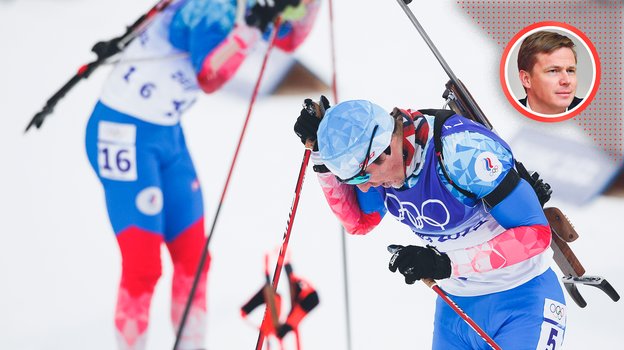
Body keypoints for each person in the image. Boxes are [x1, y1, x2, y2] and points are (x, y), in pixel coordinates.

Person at [84, 0, 320, 349]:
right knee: (143, 267)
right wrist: (249, 30)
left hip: (166, 133)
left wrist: (306, 6)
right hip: (123, 131)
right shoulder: (214, 6)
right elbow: (208, 74)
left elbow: (288, 38)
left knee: (195, 260)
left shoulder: (255, 5)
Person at [293, 98, 567, 349]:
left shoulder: (461, 151)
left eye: (360, 177)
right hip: (456, 311)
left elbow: (536, 234)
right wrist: (319, 157)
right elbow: (359, 222)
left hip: (522, 302)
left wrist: (445, 263)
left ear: (384, 149)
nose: (364, 189)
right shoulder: (385, 168)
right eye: (351, 181)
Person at [517, 30, 583, 114]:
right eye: (553, 71)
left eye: (570, 71)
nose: (567, 81)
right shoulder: (503, 117)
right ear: (526, 79)